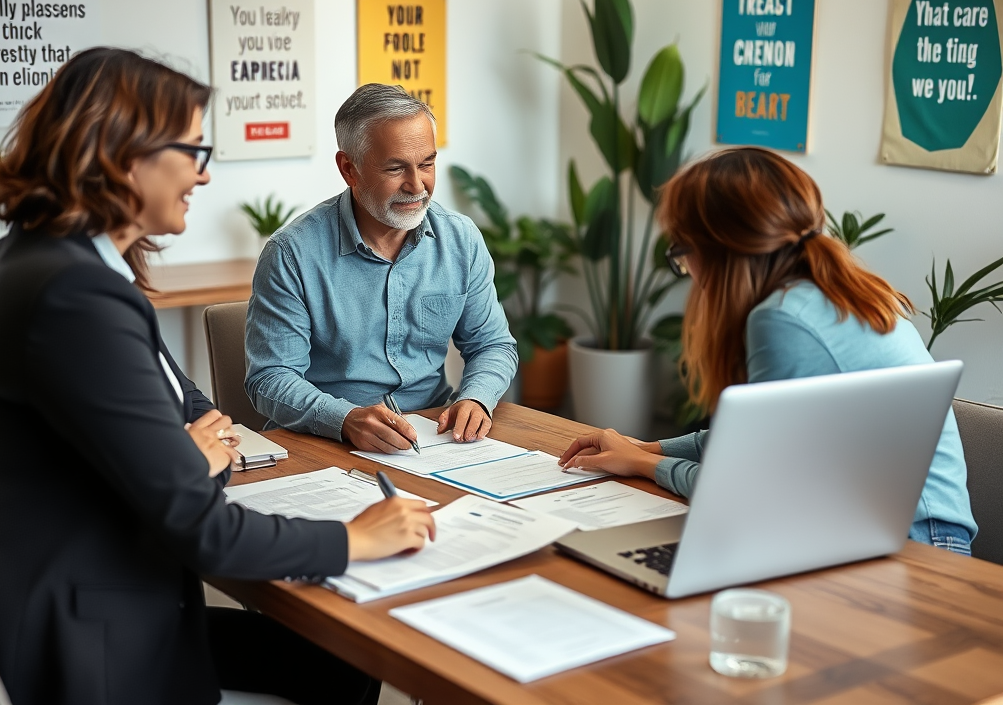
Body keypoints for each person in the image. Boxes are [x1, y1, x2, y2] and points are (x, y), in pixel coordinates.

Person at [0, 48, 435, 705]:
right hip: (95, 644)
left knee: (338, 661)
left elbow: (176, 406)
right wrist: (354, 536)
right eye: (194, 151)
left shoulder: (40, 258)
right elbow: (204, 530)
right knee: (344, 660)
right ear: (125, 153)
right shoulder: (73, 296)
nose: (203, 176)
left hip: (79, 600)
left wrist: (188, 460)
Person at [560, 147, 976, 555]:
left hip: (918, 548)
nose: (690, 275)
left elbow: (747, 497)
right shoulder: (825, 293)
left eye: (683, 253)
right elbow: (748, 440)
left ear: (719, 250)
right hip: (879, 527)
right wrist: (646, 448)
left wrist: (642, 465)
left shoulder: (783, 319)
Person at [246, 83, 518, 454]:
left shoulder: (461, 239)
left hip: (435, 440)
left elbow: (493, 345)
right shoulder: (291, 253)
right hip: (326, 443)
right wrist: (344, 419)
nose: (417, 185)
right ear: (349, 169)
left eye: (427, 164)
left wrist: (476, 398)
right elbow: (270, 378)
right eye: (395, 168)